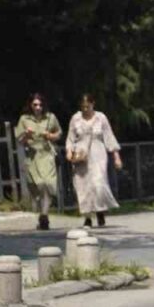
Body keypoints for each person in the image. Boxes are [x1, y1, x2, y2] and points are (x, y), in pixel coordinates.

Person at [66, 94, 123, 228]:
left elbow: (109, 137)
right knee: (83, 186)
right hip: (81, 153)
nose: (86, 109)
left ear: (93, 104)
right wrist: (69, 151)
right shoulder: (76, 118)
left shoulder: (101, 118)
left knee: (98, 183)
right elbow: (70, 138)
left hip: (98, 153)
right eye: (83, 106)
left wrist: (116, 156)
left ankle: (100, 210)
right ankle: (87, 217)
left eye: (88, 106)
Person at [16, 93, 62, 230]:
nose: (38, 107)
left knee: (47, 184)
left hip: (47, 154)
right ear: (31, 105)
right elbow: (19, 140)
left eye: (40, 105)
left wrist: (50, 135)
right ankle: (42, 209)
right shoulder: (24, 119)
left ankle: (44, 216)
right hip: (32, 156)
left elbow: (59, 133)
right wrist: (26, 135)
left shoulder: (50, 117)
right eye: (35, 104)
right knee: (36, 186)